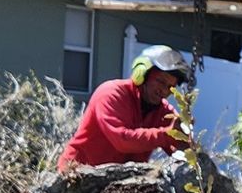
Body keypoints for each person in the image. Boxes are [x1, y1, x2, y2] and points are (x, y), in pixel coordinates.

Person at [59, 46, 190, 170]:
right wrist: (168, 134)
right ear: (142, 74)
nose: (164, 91)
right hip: (76, 174)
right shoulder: (111, 94)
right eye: (160, 81)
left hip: (115, 183)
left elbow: (179, 147)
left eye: (170, 87)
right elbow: (122, 141)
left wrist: (186, 139)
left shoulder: (164, 112)